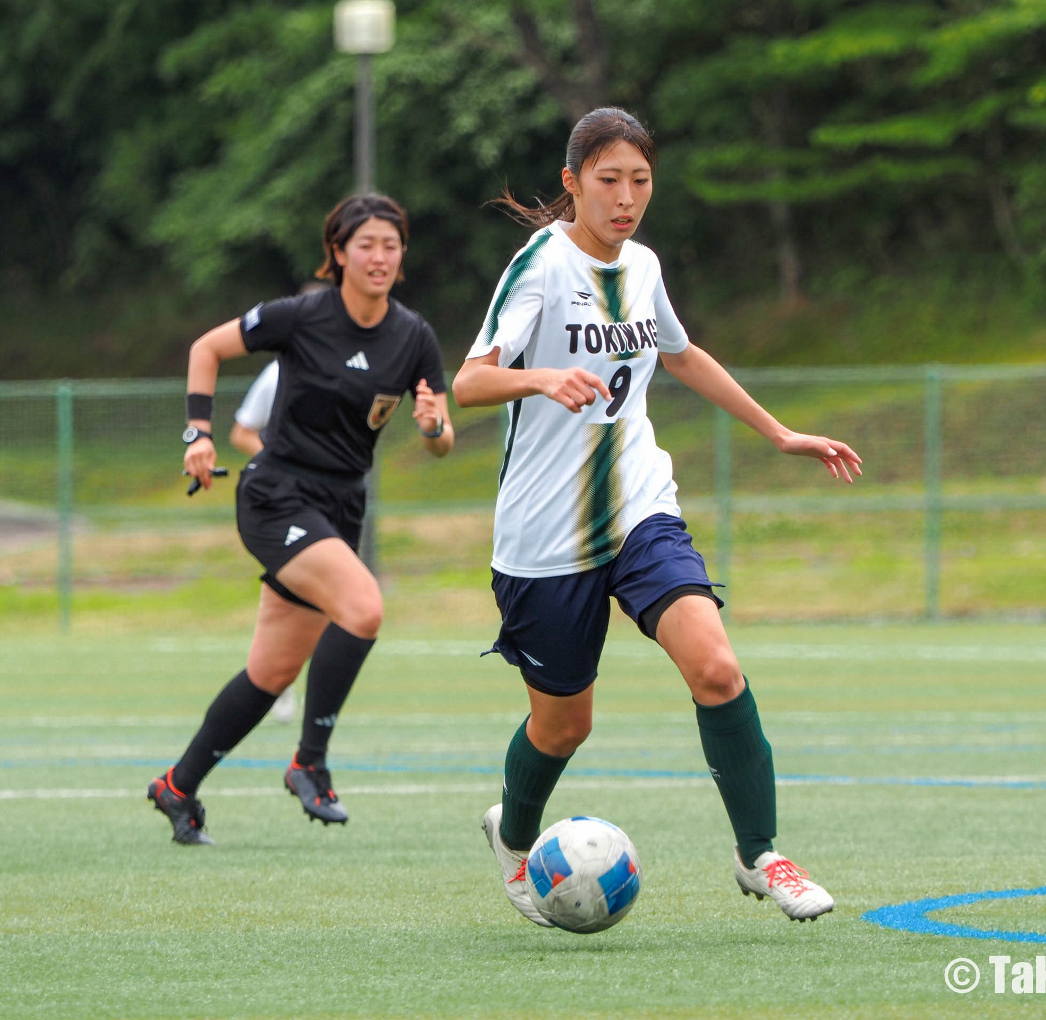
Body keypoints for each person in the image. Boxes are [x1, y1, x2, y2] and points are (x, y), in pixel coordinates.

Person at [452, 108, 861, 922]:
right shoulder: (540, 265)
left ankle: (762, 856)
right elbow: (469, 382)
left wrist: (778, 432)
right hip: (545, 536)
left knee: (716, 667)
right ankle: (516, 833)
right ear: (572, 184)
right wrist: (539, 379)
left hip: (641, 508)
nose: (627, 198)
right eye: (609, 180)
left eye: (640, 181)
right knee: (564, 726)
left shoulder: (642, 265)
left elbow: (678, 352)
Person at [147, 193, 454, 845]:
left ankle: (178, 786)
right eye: (366, 244)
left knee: (270, 674)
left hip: (342, 508)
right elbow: (207, 348)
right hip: (276, 495)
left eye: (391, 246)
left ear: (402, 258)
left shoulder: (414, 337)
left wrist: (433, 427)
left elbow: (440, 441)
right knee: (364, 607)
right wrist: (195, 435)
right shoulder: (301, 315)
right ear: (338, 253)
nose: (379, 256)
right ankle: (309, 762)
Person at [227, 359, 295, 724]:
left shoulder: (369, 359)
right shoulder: (279, 371)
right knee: (287, 595)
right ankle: (276, 681)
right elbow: (242, 431)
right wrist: (282, 466)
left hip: (339, 497)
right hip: (289, 502)